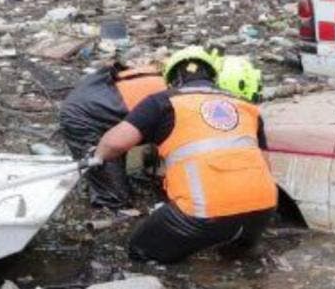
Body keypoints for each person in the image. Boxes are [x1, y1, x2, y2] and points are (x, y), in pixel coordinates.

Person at [91, 47, 277, 263]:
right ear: (213, 77)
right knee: (234, 254)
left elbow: (114, 143)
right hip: (263, 208)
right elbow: (266, 165)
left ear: (172, 79)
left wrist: (98, 155)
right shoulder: (245, 106)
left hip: (204, 213)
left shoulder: (162, 102)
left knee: (140, 250)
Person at [60, 61, 167, 210]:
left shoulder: (175, 77)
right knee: (113, 196)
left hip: (106, 95)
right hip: (84, 113)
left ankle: (138, 172)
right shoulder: (177, 99)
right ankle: (109, 204)